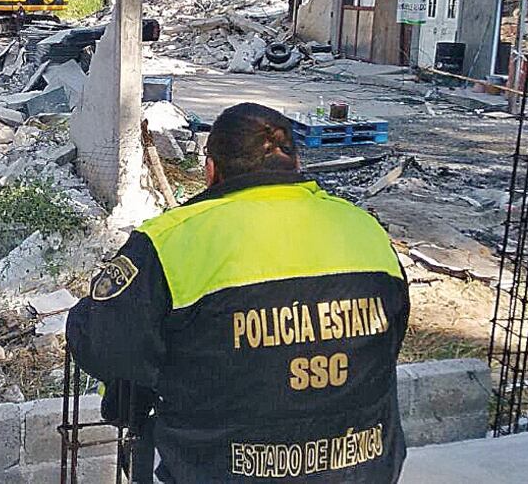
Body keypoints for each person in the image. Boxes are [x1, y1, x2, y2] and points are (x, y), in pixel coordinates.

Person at [66, 102, 410, 483]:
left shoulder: (172, 241)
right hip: (364, 468)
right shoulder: (366, 230)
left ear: (211, 169)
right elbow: (388, 341)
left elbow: (98, 343)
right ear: (296, 166)